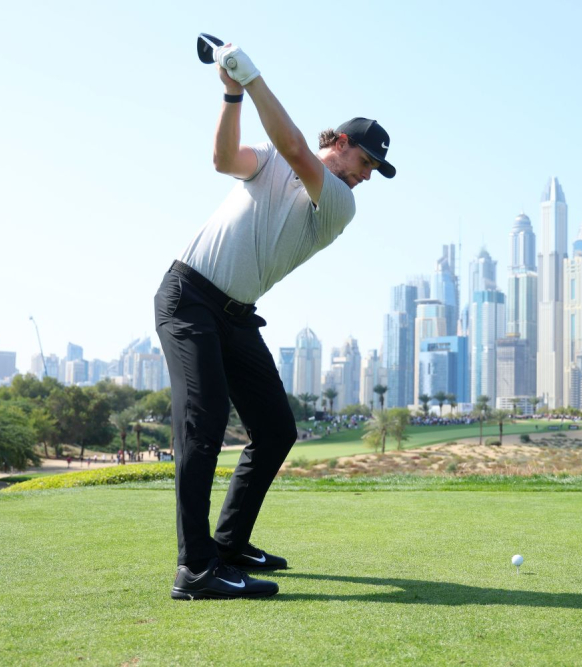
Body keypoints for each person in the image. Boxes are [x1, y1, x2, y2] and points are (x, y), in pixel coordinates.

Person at [155, 42, 394, 601]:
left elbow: (293, 146)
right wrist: (232, 92)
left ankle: (229, 544)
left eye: (374, 171)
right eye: (364, 162)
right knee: (204, 419)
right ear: (339, 142)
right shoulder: (269, 161)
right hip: (189, 296)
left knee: (276, 429)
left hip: (236, 317)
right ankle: (196, 569)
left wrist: (252, 76)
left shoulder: (338, 202)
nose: (365, 176)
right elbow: (223, 159)